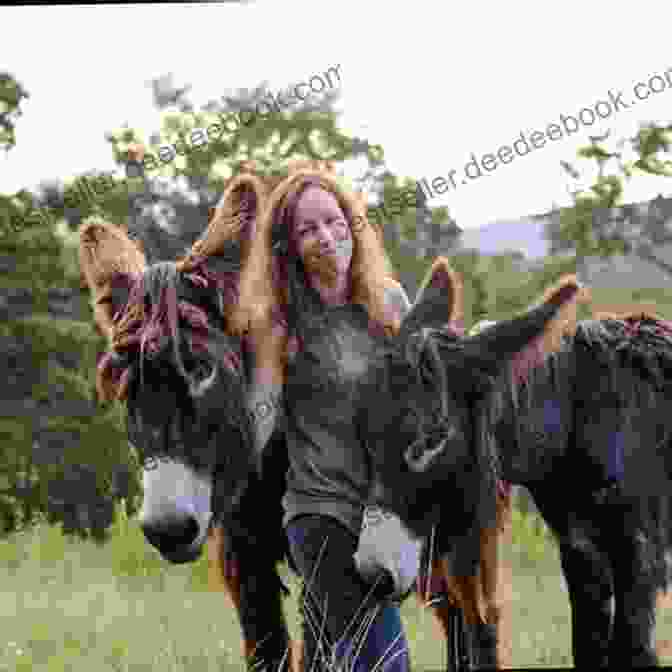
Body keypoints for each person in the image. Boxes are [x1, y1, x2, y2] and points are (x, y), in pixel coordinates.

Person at [232, 161, 422, 671]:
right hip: (318, 514)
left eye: (335, 221)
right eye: (308, 229)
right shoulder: (279, 322)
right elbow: (263, 413)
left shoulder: (390, 303)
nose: (326, 236)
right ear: (287, 245)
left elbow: (428, 390)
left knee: (328, 659)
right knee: (383, 659)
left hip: (383, 515)